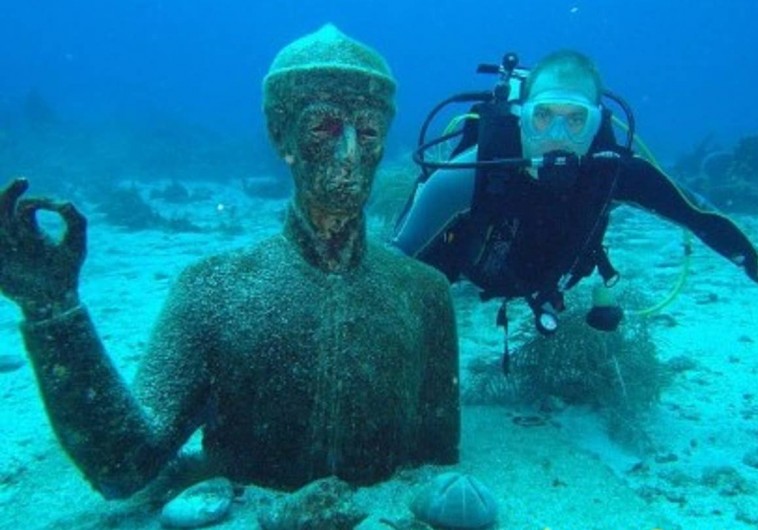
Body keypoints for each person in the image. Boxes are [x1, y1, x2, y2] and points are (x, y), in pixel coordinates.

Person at [0, 24, 459, 499]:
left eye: (368, 132)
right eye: (325, 127)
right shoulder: (211, 291)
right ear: (281, 135)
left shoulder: (423, 293)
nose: (349, 155)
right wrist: (53, 310)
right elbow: (124, 463)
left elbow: (436, 460)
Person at [393, 49, 758, 335]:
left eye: (575, 121)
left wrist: (757, 266)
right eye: (543, 116)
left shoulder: (614, 173)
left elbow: (695, 216)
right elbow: (400, 252)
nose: (557, 135)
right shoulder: (471, 172)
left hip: (545, 277)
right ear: (520, 119)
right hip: (466, 267)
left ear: (596, 124)